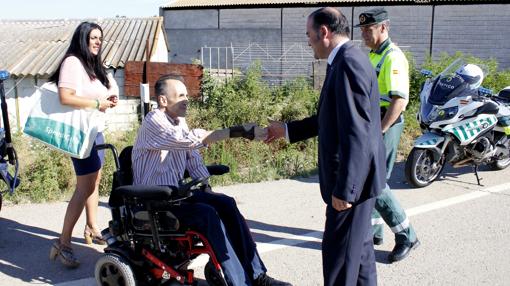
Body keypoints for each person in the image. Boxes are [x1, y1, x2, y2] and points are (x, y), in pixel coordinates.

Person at [131, 75, 292, 286]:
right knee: (207, 215)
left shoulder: (179, 122)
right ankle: (240, 283)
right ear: (163, 100)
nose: (186, 99)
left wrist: (206, 187)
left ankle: (257, 275)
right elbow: (188, 142)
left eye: (186, 95)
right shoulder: (154, 121)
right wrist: (237, 131)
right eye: (180, 96)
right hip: (154, 201)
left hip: (175, 196)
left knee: (226, 203)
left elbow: (193, 158)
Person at [266, 7, 386, 286]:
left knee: (339, 263)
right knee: (360, 258)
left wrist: (346, 190)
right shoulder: (347, 59)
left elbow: (358, 132)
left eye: (309, 34)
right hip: (360, 180)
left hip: (351, 184)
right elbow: (329, 118)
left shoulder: (348, 63)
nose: (307, 41)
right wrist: (285, 130)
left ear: (324, 32)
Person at [48, 22, 119, 268]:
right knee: (83, 187)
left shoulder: (92, 64)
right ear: (82, 39)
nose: (98, 41)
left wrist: (109, 98)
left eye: (100, 37)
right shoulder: (73, 62)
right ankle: (63, 242)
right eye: (93, 37)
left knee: (95, 181)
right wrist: (95, 104)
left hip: (94, 130)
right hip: (79, 133)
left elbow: (98, 92)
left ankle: (91, 227)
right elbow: (65, 96)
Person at [356, 7, 420, 263]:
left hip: (385, 124)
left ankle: (407, 235)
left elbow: (398, 101)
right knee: (367, 180)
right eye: (361, 30)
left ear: (384, 27)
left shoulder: (393, 57)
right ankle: (373, 231)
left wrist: (379, 130)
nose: (364, 35)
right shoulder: (373, 56)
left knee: (377, 182)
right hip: (373, 124)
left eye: (368, 30)